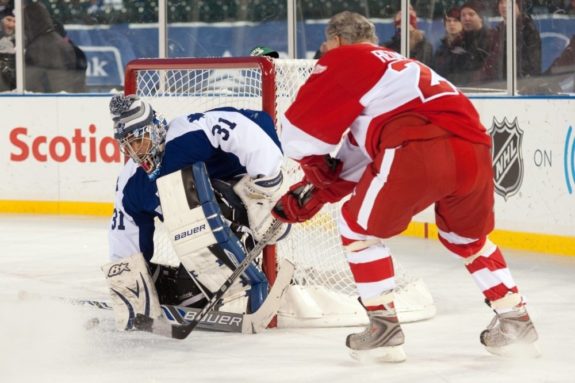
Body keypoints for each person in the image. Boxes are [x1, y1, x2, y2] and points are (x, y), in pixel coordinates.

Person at [272, 10, 540, 362]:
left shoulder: (346, 57)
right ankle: (515, 319)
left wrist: (312, 169)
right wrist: (320, 190)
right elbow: (357, 157)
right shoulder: (399, 69)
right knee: (467, 239)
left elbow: (300, 134)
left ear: (338, 40)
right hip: (474, 146)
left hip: (418, 145)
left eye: (326, 43)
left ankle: (383, 329)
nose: (325, 50)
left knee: (356, 229)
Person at [104, 95, 289, 331]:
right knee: (182, 206)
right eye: (127, 145)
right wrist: (129, 284)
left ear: (155, 127)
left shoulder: (188, 131)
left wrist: (266, 182)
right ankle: (194, 285)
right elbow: (124, 230)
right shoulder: (131, 182)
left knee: (193, 187)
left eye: (138, 141)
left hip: (245, 201)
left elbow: (248, 125)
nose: (135, 151)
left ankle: (250, 265)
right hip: (202, 234)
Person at [23, 2, 86, 92]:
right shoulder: (62, 43)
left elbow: (29, 85)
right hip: (69, 98)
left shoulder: (37, 48)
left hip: (48, 100)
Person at [488, 0, 542, 82]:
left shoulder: (528, 28)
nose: (504, 6)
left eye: (508, 2)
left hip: (520, 85)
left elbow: (533, 64)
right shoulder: (499, 29)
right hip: (500, 84)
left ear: (518, 6)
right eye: (501, 3)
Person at [450, 0, 496, 86]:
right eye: (463, 15)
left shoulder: (492, 38)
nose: (466, 18)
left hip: (485, 88)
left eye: (471, 14)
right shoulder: (457, 41)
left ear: (480, 17)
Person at [432, 7, 465, 82]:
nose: (451, 24)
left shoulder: (467, 44)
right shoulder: (440, 47)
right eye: (448, 21)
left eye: (456, 20)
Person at [0, 6, 15, 91]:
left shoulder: (19, 42)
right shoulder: (4, 41)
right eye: (8, 20)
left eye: (14, 21)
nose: (11, 24)